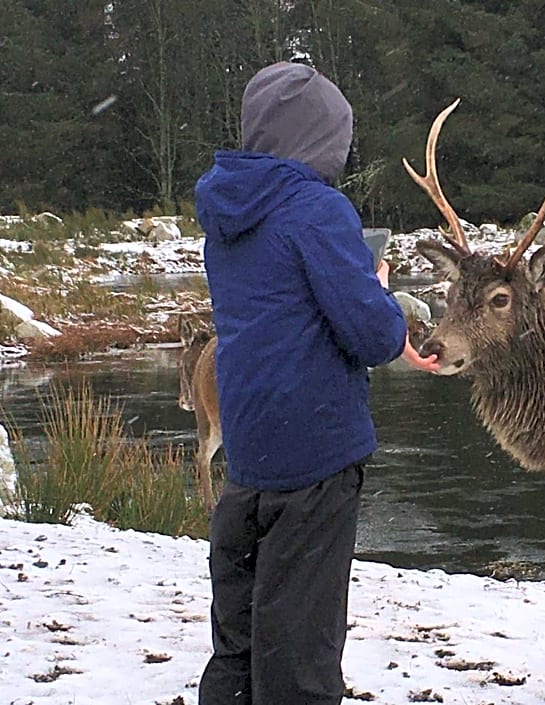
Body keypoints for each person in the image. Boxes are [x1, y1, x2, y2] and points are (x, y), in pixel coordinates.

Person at [194, 61, 439, 705]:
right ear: (320, 137)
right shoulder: (317, 210)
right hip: (317, 459)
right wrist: (379, 290)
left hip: (250, 454)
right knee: (300, 653)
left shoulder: (224, 214)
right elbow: (376, 336)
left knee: (240, 644)